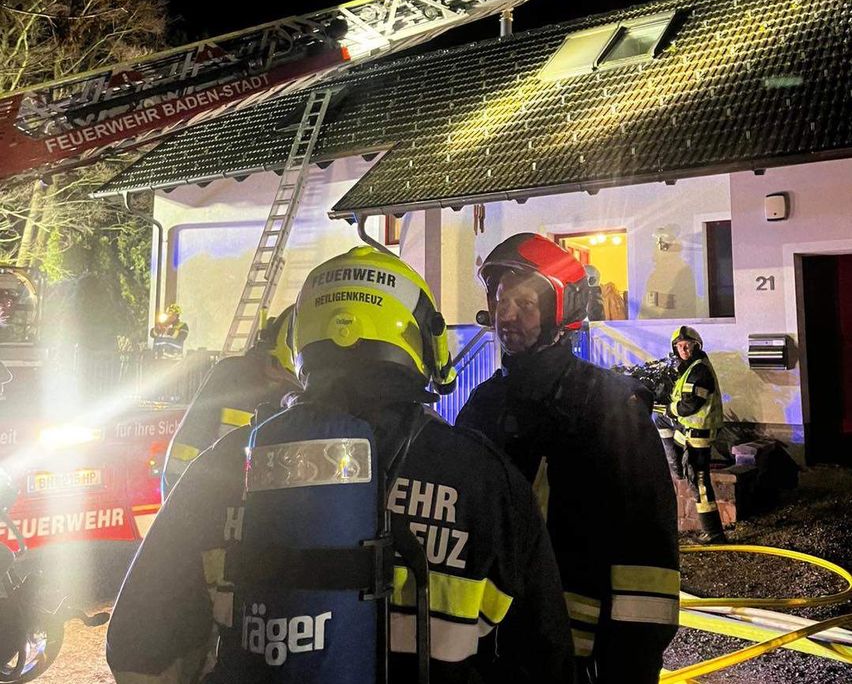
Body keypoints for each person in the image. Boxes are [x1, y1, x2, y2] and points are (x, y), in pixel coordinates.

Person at [107, 245, 574, 684]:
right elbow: (546, 658)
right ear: (421, 338)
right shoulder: (485, 480)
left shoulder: (222, 468)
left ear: (301, 338)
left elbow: (138, 644)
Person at [456, 233, 680, 684]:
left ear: (562, 311)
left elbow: (647, 563)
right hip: (488, 651)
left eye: (524, 303)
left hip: (579, 658)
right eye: (500, 301)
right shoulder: (483, 405)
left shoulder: (610, 408)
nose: (507, 315)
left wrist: (628, 667)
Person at [161, 306, 302, 495]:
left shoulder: (294, 394)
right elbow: (183, 455)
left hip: (249, 509)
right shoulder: (230, 376)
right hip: (214, 504)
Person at [654, 325, 726, 544]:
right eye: (679, 346)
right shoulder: (689, 367)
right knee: (660, 420)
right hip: (688, 431)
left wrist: (669, 408)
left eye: (687, 345)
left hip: (699, 433)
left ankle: (713, 533)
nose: (683, 349)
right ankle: (677, 466)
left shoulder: (699, 371)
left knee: (699, 481)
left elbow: (690, 405)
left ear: (696, 346)